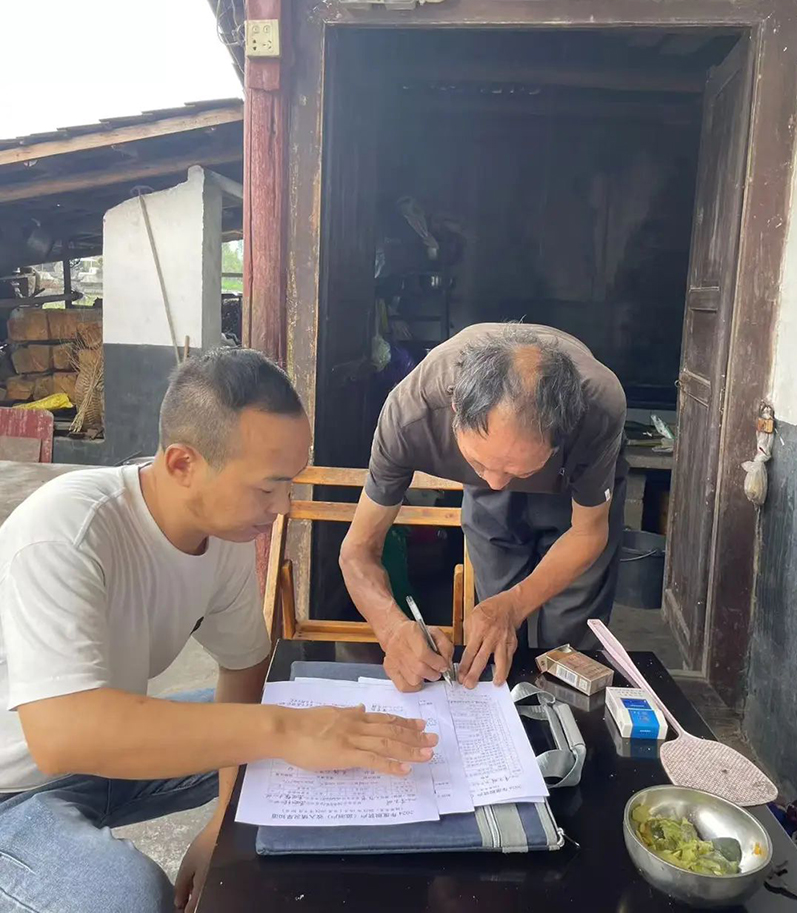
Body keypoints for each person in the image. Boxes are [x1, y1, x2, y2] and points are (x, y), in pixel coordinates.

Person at [0, 349, 436, 913]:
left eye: (290, 485)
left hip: (101, 756)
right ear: (183, 463)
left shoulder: (223, 532)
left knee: (310, 716)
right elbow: (63, 736)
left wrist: (219, 829)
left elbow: (243, 668)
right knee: (127, 897)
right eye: (267, 488)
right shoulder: (65, 532)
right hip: (15, 788)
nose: (283, 507)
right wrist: (285, 730)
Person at [340, 323, 627, 693]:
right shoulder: (410, 414)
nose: (496, 484)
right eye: (478, 463)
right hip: (490, 480)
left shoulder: (598, 407)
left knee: (569, 632)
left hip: (573, 486)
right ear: (456, 410)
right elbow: (357, 551)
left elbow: (588, 532)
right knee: (493, 622)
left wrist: (516, 604)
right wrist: (392, 629)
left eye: (518, 471)